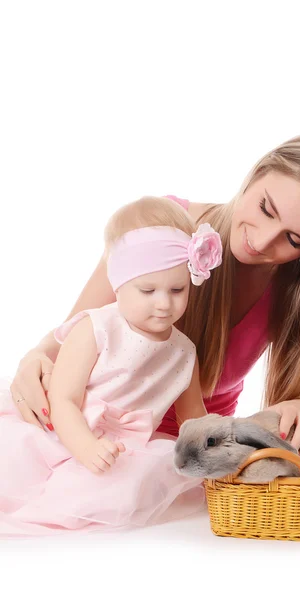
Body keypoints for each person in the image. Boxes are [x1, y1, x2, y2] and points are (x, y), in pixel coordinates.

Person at [9, 133, 300, 462]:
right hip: (100, 440)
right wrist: (36, 358)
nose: (261, 241)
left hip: (190, 456)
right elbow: (74, 332)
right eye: (266, 209)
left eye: (294, 240)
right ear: (257, 174)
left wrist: (298, 406)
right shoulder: (163, 228)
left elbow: (215, 424)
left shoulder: (295, 292)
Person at [0, 196, 222, 536]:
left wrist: (220, 450)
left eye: (177, 289)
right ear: (119, 285)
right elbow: (64, 399)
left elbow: (193, 417)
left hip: (125, 452)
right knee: (15, 467)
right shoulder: (95, 328)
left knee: (115, 486)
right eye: (147, 290)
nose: (164, 303)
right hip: (63, 432)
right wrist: (85, 446)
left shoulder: (184, 352)